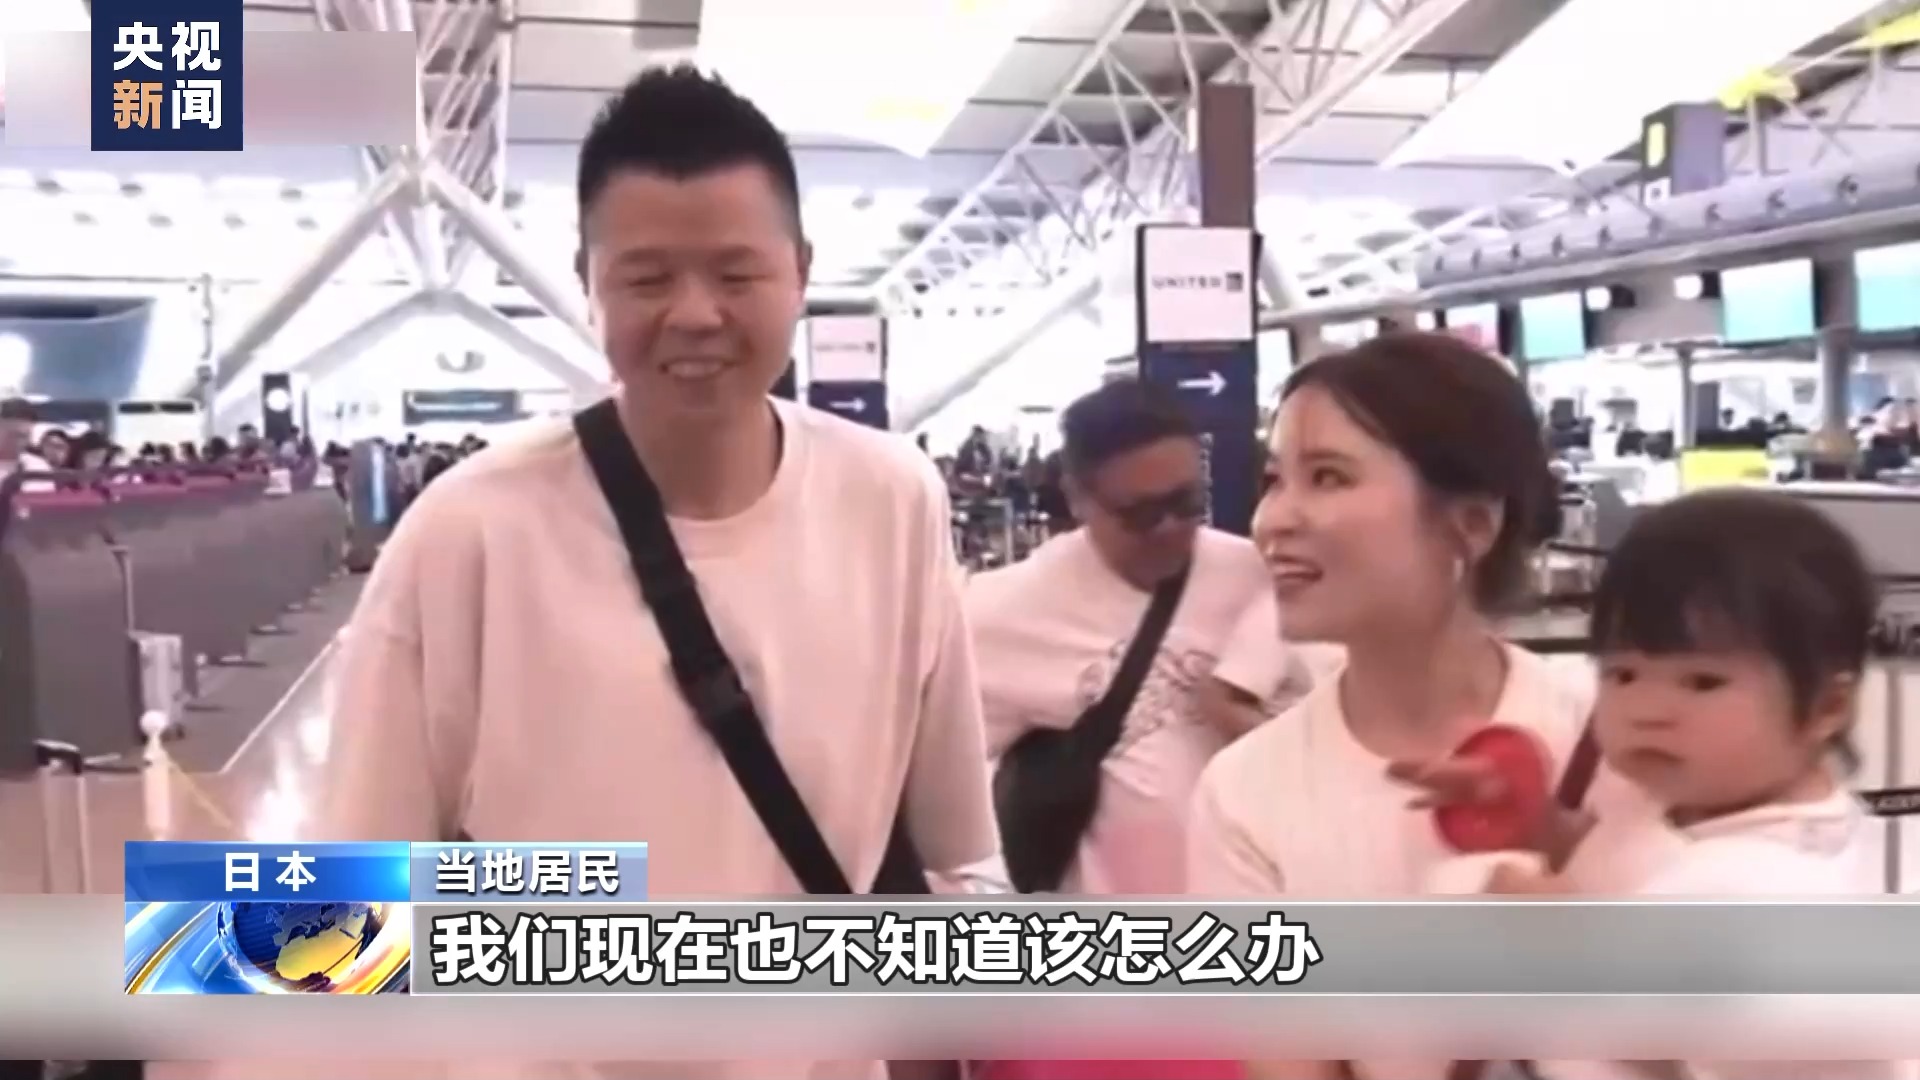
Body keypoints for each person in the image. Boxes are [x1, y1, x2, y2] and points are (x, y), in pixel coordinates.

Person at [316, 65, 1000, 1078]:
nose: (694, 315)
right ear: (587, 280)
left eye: (735, 275)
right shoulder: (468, 535)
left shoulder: (892, 501)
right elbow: (338, 913)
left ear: (801, 271)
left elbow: (964, 859)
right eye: (646, 279)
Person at [1186, 331, 1587, 1078]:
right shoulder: (1246, 795)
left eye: (1328, 477)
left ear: (1472, 523)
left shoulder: (1614, 739)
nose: (1272, 520)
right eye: (1275, 480)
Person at [1435, 489, 1894, 1080]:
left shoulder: (1782, 894)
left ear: (1827, 706)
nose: (1647, 710)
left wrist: (1566, 941)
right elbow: (1622, 861)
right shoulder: (1691, 806)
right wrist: (1537, 825)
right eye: (1623, 674)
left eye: (1701, 682)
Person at [969, 379, 1292, 895]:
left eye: (1187, 503)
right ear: (1078, 499)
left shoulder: (1260, 576)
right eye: (1141, 515)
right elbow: (925, 766)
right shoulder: (1007, 609)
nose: (1169, 529)